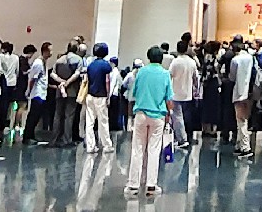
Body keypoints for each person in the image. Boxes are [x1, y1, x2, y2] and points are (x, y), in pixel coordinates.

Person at [126, 47, 173, 198]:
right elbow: (169, 98)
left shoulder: (141, 72)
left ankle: (133, 185)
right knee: (154, 150)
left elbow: (134, 92)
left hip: (141, 113)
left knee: (137, 149)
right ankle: (151, 185)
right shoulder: (165, 74)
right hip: (158, 116)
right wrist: (169, 115)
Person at [82, 43, 116, 155]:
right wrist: (108, 96)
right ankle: (107, 145)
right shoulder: (106, 65)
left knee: (90, 122)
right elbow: (107, 81)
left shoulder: (91, 65)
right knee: (103, 121)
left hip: (90, 95)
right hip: (101, 96)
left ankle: (90, 146)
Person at [168, 35, 199, 155]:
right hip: (188, 93)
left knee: (177, 117)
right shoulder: (192, 62)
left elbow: (169, 76)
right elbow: (196, 77)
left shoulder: (175, 62)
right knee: (186, 116)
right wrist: (196, 89)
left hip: (176, 93)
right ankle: (186, 135)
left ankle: (182, 139)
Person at [230, 38, 258, 154]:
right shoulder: (251, 58)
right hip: (251, 93)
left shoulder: (235, 60)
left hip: (239, 92)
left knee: (241, 120)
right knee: (244, 119)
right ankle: (239, 144)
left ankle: (246, 147)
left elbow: (232, 77)